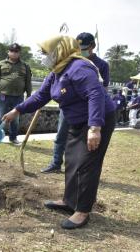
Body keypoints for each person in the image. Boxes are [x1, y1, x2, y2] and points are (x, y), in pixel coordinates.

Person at [2, 36, 115, 229]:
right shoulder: (57, 71)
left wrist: (95, 128)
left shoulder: (79, 68)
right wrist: (17, 110)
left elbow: (95, 94)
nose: (44, 57)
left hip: (96, 121)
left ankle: (82, 211)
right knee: (72, 161)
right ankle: (69, 201)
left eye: (47, 53)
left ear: (60, 51)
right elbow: (41, 95)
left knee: (86, 165)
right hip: (77, 120)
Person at [40, 31, 111, 173]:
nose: (81, 50)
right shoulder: (68, 60)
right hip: (68, 105)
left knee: (81, 141)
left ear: (92, 46)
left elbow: (100, 90)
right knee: (61, 134)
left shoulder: (101, 65)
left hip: (86, 110)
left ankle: (76, 168)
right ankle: (56, 162)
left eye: (84, 47)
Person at [0, 43, 32, 145]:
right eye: (12, 51)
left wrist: (29, 95)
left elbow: (28, 81)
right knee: (0, 116)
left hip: (18, 97)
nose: (14, 53)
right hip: (3, 96)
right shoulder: (0, 64)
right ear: (8, 52)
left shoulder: (25, 66)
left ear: (19, 53)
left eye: (16, 52)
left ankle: (13, 138)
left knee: (15, 119)